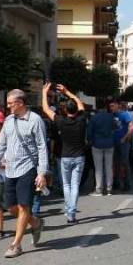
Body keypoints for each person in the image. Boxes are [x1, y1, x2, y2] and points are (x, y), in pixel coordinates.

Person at [0, 89, 48, 259]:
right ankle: (35, 222)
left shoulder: (35, 121)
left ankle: (16, 245)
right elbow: (1, 145)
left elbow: (42, 148)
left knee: (23, 206)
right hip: (10, 170)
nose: (7, 106)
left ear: (20, 103)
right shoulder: (8, 120)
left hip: (28, 169)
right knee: (11, 207)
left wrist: (42, 173)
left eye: (10, 103)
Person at [41, 83, 86, 224]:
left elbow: (46, 109)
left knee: (66, 186)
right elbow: (80, 104)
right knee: (75, 186)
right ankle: (71, 213)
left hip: (65, 157)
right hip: (79, 157)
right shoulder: (82, 119)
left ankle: (69, 211)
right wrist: (68, 92)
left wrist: (44, 93)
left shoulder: (61, 121)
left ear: (65, 110)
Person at [88, 101, 115, 196]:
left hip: (97, 144)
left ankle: (99, 189)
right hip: (109, 143)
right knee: (109, 167)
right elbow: (115, 128)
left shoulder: (94, 118)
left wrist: (90, 140)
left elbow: (89, 132)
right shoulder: (111, 117)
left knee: (98, 168)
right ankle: (109, 189)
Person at [110, 100, 133, 192]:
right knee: (115, 163)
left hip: (123, 143)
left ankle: (127, 184)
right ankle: (116, 182)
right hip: (113, 143)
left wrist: (124, 138)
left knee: (124, 163)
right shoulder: (111, 115)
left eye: (112, 106)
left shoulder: (124, 114)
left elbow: (131, 127)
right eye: (110, 106)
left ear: (117, 106)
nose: (111, 108)